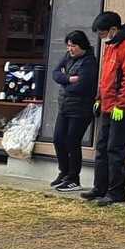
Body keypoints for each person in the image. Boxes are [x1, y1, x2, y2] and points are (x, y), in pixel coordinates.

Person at [84, 12, 125, 206]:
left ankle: (116, 192)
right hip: (108, 105)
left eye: (102, 33)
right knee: (102, 148)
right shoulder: (111, 46)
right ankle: (100, 188)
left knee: (116, 149)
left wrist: (121, 105)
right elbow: (106, 77)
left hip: (122, 107)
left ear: (113, 29)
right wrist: (99, 98)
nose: (101, 37)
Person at [48, 30, 96, 190]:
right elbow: (55, 73)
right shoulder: (68, 56)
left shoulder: (89, 62)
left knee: (72, 142)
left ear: (82, 45)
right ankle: (64, 172)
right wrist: (69, 79)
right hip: (65, 106)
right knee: (58, 139)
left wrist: (65, 85)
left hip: (81, 108)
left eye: (73, 46)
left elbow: (82, 86)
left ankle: (74, 178)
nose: (70, 49)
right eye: (68, 45)